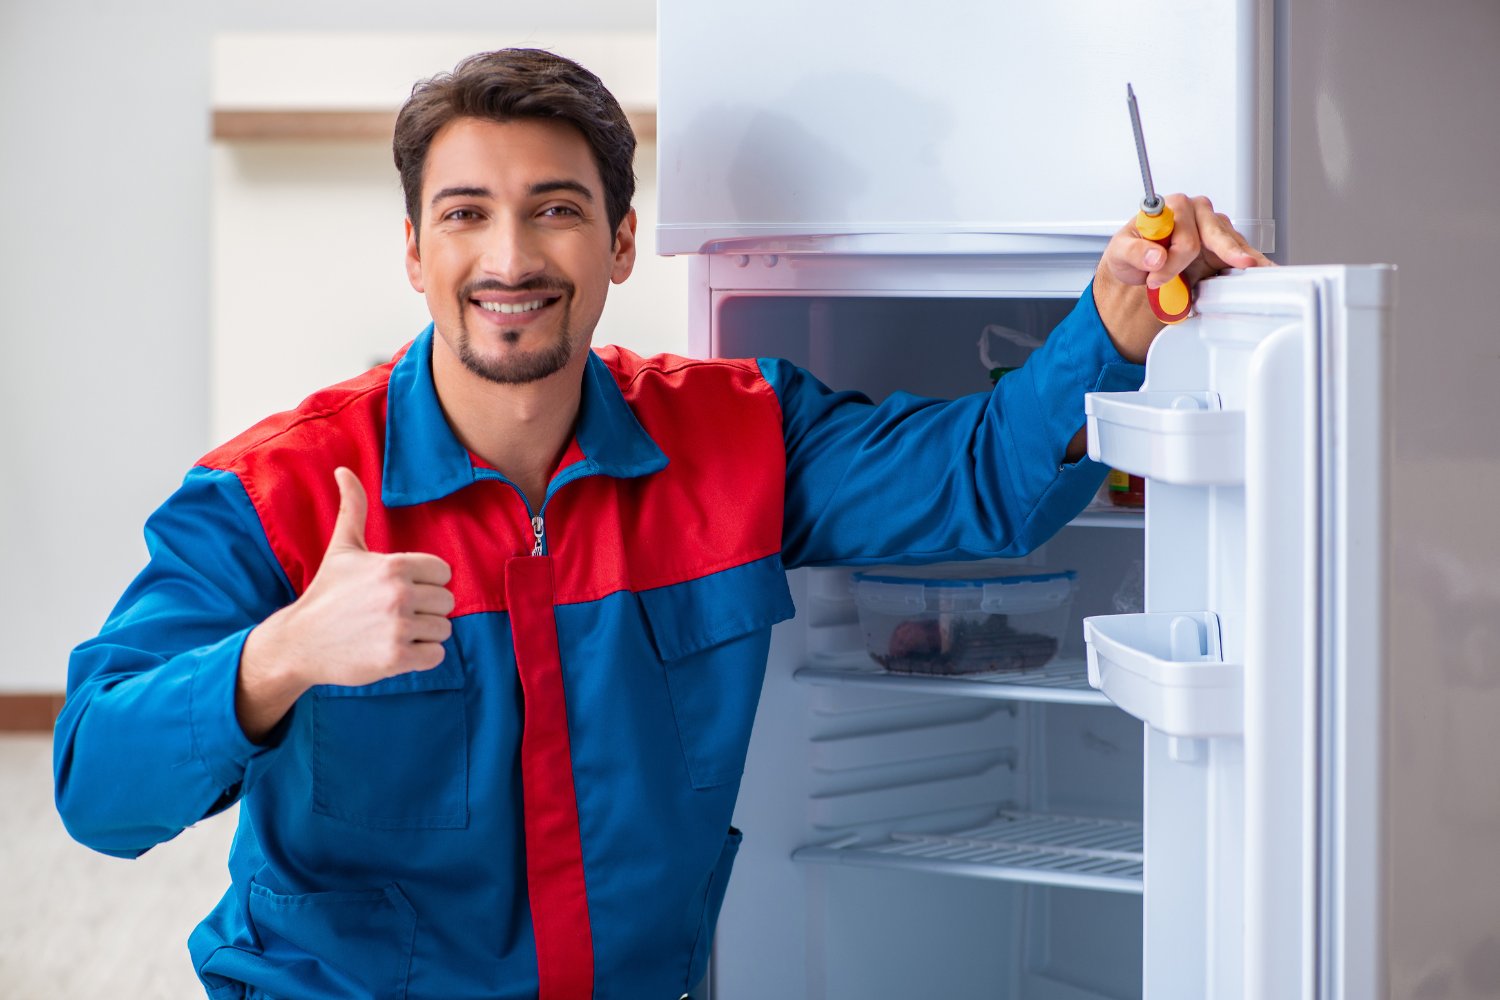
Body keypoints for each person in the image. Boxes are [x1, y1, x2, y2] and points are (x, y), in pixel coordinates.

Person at [54, 48, 1270, 1000]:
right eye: (467, 214)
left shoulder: (736, 438)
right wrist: (281, 656)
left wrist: (1113, 323)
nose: (511, 257)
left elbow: (977, 478)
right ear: (415, 251)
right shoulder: (277, 491)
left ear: (621, 242)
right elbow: (96, 786)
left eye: (555, 209)